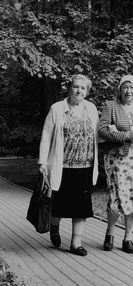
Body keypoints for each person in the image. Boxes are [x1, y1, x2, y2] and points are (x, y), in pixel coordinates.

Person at [38, 74, 99, 256]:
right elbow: (46, 136)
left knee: (81, 207)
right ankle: (54, 227)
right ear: (69, 88)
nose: (79, 90)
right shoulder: (57, 108)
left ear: (87, 91)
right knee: (60, 205)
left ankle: (75, 243)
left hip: (85, 167)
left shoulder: (91, 109)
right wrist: (42, 161)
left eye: (83, 88)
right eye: (75, 86)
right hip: (62, 167)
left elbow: (98, 134)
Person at [98, 74, 133, 254]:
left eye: (132, 87)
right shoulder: (110, 106)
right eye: (125, 87)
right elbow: (102, 131)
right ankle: (110, 234)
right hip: (116, 158)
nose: (128, 90)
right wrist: (126, 136)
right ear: (120, 90)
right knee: (116, 196)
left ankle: (128, 238)